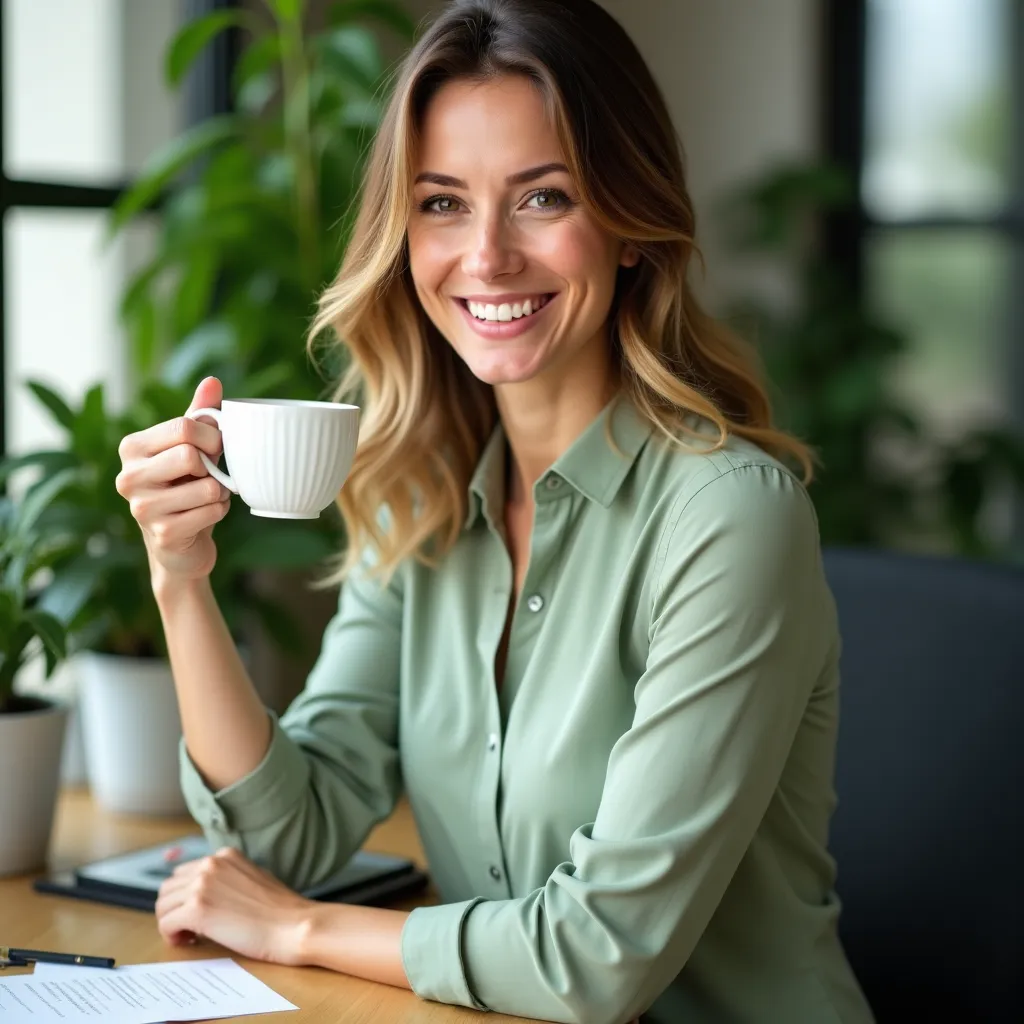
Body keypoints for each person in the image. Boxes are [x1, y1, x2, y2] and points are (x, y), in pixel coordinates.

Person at [115, 1, 874, 1021]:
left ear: (631, 223)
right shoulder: (423, 495)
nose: (485, 256)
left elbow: (595, 955)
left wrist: (299, 925)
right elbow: (286, 834)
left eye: (542, 197)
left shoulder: (729, 518)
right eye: (440, 204)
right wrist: (179, 578)